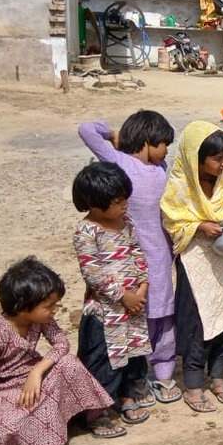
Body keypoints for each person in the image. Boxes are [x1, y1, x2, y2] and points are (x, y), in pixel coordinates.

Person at [0, 257, 114, 445]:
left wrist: (37, 371)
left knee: (69, 364)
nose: (55, 310)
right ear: (23, 308)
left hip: (30, 377)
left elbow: (61, 343)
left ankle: (92, 416)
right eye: (49, 306)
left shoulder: (41, 318)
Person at [78, 112, 180, 404]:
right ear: (148, 142)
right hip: (126, 261)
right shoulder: (119, 163)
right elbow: (86, 129)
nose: (166, 151)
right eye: (163, 144)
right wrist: (113, 134)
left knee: (163, 313)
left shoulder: (159, 167)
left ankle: (162, 374)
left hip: (158, 257)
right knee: (139, 317)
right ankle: (139, 376)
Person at [160, 122, 223, 413]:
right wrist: (199, 224)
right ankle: (193, 384)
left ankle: (218, 376)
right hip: (195, 258)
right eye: (217, 158)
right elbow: (173, 220)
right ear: (196, 160)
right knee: (196, 322)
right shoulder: (180, 185)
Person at [70, 162, 153, 427]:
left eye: (125, 199)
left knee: (133, 354)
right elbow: (92, 273)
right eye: (117, 202)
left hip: (134, 307)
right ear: (95, 205)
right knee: (104, 360)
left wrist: (142, 288)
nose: (124, 206)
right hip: (107, 311)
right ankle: (97, 410)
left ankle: (126, 395)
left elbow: (138, 254)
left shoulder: (126, 223)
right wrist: (123, 296)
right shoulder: (86, 232)